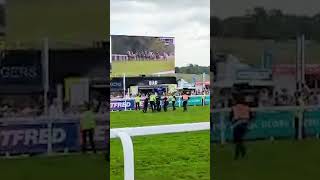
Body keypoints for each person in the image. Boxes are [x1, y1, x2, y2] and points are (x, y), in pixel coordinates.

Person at [230, 94, 252, 160]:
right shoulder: (247, 107)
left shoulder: (234, 107)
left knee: (238, 141)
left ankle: (238, 154)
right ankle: (242, 153)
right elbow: (251, 116)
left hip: (237, 124)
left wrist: (233, 121)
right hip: (245, 124)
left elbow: (231, 116)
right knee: (240, 140)